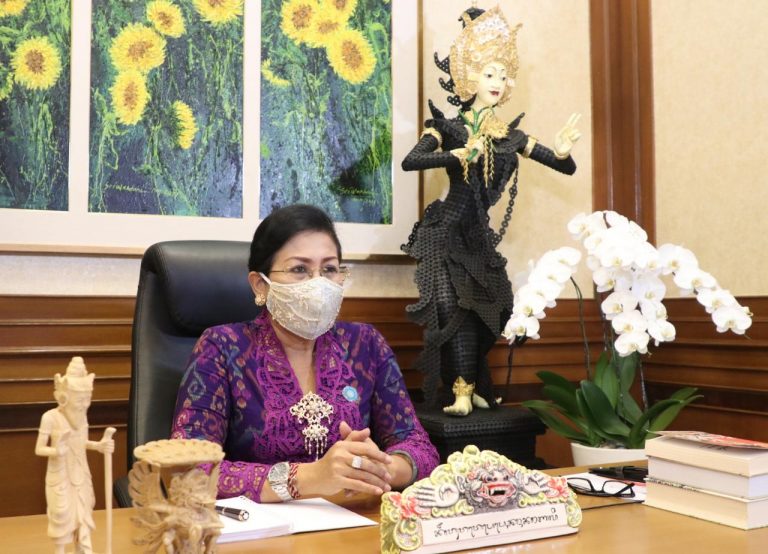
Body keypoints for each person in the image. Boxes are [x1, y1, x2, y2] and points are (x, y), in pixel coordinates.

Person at [171, 204, 440, 502]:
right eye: (300, 269)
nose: (318, 283)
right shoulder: (222, 348)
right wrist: (306, 478)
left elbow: (419, 447)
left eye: (329, 269)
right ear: (260, 285)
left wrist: (377, 468)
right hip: (260, 525)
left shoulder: (366, 344)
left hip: (352, 518)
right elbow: (188, 470)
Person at [401, 6, 581, 416]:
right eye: (489, 74)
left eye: (502, 75)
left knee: (495, 311)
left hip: (479, 240)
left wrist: (564, 151)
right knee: (452, 310)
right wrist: (454, 155)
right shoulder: (447, 128)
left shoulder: (511, 137)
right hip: (445, 232)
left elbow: (565, 167)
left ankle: (476, 385)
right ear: (470, 78)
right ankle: (462, 391)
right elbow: (412, 161)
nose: (498, 82)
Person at [35, 356, 115, 554]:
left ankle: (82, 550)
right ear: (64, 397)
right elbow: (39, 448)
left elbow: (81, 443)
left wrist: (99, 446)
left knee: (84, 512)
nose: (84, 405)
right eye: (80, 400)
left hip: (81, 472)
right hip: (60, 475)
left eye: (88, 399)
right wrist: (56, 451)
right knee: (61, 515)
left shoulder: (82, 417)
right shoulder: (50, 417)